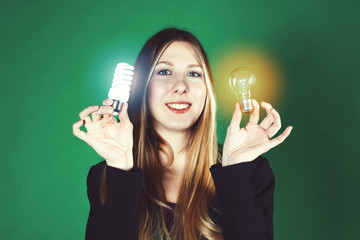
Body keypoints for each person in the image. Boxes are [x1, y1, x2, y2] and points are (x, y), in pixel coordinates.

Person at [72, 28, 293, 240]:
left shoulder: (251, 173)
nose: (180, 86)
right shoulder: (106, 176)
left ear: (208, 90)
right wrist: (120, 165)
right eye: (164, 71)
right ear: (142, 87)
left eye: (194, 73)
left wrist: (234, 169)